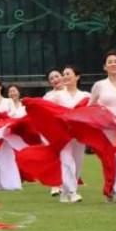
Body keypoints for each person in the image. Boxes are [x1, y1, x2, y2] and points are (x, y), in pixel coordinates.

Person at [44, 65, 91, 203]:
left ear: (77, 76)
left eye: (68, 74)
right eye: (63, 74)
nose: (65, 76)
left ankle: (66, 192)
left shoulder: (86, 96)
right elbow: (44, 107)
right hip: (62, 134)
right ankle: (73, 191)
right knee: (66, 161)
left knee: (77, 163)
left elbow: (95, 109)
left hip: (79, 134)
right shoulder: (56, 96)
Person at [90, 51, 116, 205]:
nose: (114, 64)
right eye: (110, 62)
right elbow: (91, 106)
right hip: (109, 127)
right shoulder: (99, 85)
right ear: (105, 67)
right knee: (115, 159)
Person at [43, 68, 65, 197]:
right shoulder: (48, 96)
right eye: (52, 79)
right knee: (55, 157)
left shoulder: (70, 92)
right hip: (52, 130)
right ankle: (55, 185)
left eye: (57, 76)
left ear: (62, 77)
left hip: (68, 129)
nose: (55, 80)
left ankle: (67, 184)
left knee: (68, 158)